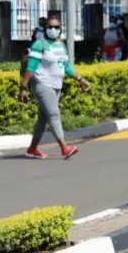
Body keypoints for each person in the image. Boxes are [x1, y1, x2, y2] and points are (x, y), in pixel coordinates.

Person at [19, 16, 90, 159]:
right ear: (45, 29)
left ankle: (32, 149)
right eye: (50, 27)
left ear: (60, 29)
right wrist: (23, 87)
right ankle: (65, 147)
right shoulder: (39, 44)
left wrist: (80, 79)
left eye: (56, 27)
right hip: (42, 85)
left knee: (43, 119)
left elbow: (66, 67)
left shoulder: (61, 46)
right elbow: (31, 68)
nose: (53, 29)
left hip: (56, 86)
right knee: (53, 114)